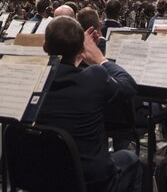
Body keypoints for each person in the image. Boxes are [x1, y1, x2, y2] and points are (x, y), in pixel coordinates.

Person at [37, 17, 142, 192]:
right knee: (131, 159)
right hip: (91, 180)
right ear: (81, 49)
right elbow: (129, 86)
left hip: (42, 177)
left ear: (45, 48)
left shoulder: (31, 79)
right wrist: (100, 59)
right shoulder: (94, 77)